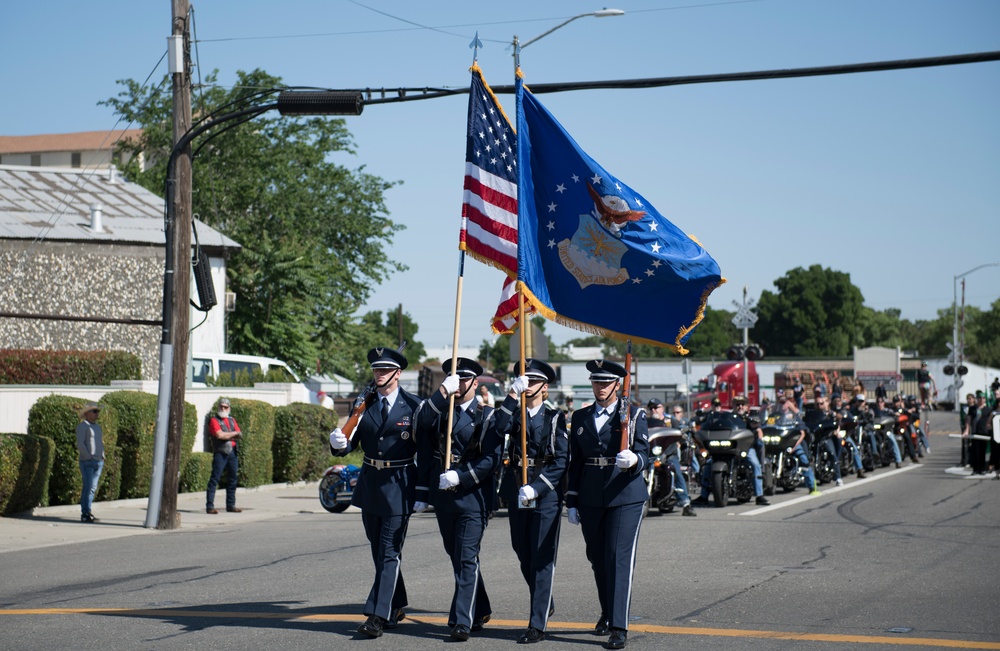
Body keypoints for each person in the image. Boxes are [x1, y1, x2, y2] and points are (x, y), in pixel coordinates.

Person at [329, 347, 422, 638]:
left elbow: (427, 451)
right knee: (379, 551)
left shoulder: (414, 406)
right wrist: (337, 443)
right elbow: (349, 444)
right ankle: (396, 603)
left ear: (398, 373)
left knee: (389, 552)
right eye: (376, 371)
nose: (379, 375)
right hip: (370, 484)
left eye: (385, 370)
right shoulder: (364, 405)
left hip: (399, 483)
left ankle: (377, 615)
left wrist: (423, 491)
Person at [416, 357, 501, 642]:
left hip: (472, 497)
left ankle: (461, 620)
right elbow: (422, 425)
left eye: (465, 379)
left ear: (475, 383)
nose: (460, 383)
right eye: (455, 378)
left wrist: (461, 477)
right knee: (458, 556)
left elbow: (491, 460)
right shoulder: (442, 410)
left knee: (465, 557)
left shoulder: (486, 415)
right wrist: (441, 394)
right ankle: (482, 607)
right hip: (444, 498)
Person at [566, 360, 649, 650]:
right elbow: (575, 463)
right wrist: (572, 501)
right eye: (595, 382)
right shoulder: (580, 416)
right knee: (598, 559)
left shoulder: (634, 414)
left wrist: (635, 460)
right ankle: (607, 611)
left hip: (624, 494)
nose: (599, 388)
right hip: (590, 496)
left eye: (605, 383)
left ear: (617, 385)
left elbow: (644, 452)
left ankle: (619, 626)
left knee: (617, 559)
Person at [493, 359, 568, 644]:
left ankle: (537, 623)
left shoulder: (555, 417)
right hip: (517, 487)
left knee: (542, 556)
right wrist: (512, 396)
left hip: (544, 491)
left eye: (534, 381)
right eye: (525, 381)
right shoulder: (513, 415)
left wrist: (537, 488)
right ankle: (543, 598)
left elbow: (561, 460)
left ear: (544, 387)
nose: (529, 385)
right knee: (522, 550)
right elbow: (497, 429)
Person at [771, 395, 820, 495]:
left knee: (804, 460)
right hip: (779, 444)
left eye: (784, 402)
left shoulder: (794, 417)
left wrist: (794, 446)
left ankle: (812, 486)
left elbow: (802, 433)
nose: (782, 405)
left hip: (793, 442)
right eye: (780, 402)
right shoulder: (775, 417)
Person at [731, 395, 770, 505]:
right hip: (730, 448)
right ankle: (704, 495)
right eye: (737, 404)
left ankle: (759, 495)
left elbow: (758, 429)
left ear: (747, 406)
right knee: (710, 463)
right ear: (733, 405)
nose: (740, 406)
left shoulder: (750, 417)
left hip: (746, 448)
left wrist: (760, 438)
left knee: (755, 465)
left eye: (742, 404)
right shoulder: (728, 418)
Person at [206, 397, 242, 515]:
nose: (223, 409)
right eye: (221, 406)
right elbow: (219, 435)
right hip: (221, 452)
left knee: (232, 479)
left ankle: (231, 505)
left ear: (229, 408)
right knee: (215, 479)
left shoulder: (232, 420)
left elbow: (239, 433)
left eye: (225, 407)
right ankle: (210, 506)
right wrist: (232, 434)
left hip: (233, 452)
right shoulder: (214, 420)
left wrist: (228, 435)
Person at [76, 402, 105, 523]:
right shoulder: (83, 426)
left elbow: (100, 442)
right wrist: (88, 457)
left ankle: (88, 511)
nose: (96, 414)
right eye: (94, 411)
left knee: (92, 488)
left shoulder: (97, 427)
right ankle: (85, 513)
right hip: (88, 462)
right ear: (87, 413)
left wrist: (102, 455)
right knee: (88, 488)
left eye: (97, 411)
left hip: (98, 461)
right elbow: (81, 444)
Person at [871, 396, 903, 468]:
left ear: (884, 403)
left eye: (881, 402)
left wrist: (896, 414)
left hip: (886, 430)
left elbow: (895, 415)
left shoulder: (888, 411)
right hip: (876, 430)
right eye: (878, 402)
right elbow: (870, 415)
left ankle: (898, 460)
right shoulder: (874, 411)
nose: (879, 404)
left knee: (892, 439)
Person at [965, 391, 990, 475]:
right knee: (975, 451)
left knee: (982, 451)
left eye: (983, 398)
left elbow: (990, 421)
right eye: (979, 398)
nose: (981, 400)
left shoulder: (987, 409)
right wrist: (967, 430)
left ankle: (982, 469)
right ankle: (975, 469)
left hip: (984, 433)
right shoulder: (972, 408)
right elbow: (968, 420)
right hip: (975, 432)